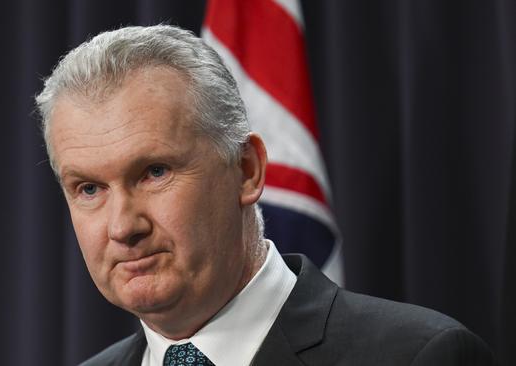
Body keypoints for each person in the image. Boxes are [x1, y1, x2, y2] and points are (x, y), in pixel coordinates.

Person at [36, 25, 494, 366]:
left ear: (247, 170)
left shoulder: (419, 355)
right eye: (89, 188)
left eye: (155, 172)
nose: (122, 227)